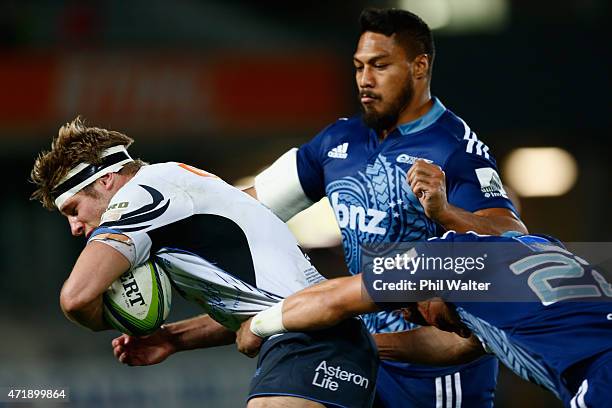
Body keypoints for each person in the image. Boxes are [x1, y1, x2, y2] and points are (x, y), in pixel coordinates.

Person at [244, 7, 527, 408]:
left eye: (380, 66)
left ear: (419, 67)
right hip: (364, 357)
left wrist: (446, 212)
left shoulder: (456, 147)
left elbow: (513, 238)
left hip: (437, 370)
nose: (365, 80)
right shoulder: (338, 142)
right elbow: (245, 210)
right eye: (359, 67)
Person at [30, 117, 378, 408]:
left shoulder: (142, 195)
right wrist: (173, 339)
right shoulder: (174, 191)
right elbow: (256, 307)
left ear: (106, 180)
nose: (75, 227)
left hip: (310, 341)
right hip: (321, 340)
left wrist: (112, 321)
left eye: (73, 210)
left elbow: (75, 298)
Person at [236, 231, 612, 408]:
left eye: (413, 308)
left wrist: (259, 325)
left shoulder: (441, 261)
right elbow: (462, 346)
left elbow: (332, 299)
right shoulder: (530, 248)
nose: (418, 317)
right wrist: (363, 348)